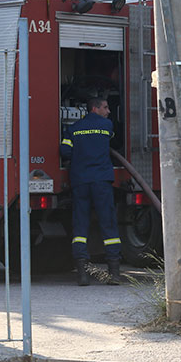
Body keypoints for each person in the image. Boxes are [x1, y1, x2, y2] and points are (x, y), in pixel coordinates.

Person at [60, 97, 121, 286]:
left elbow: (64, 151)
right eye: (105, 107)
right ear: (95, 108)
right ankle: (114, 273)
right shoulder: (106, 125)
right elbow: (115, 142)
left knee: (80, 225)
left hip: (80, 180)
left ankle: (83, 273)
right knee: (108, 223)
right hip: (101, 181)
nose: (108, 111)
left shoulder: (73, 128)